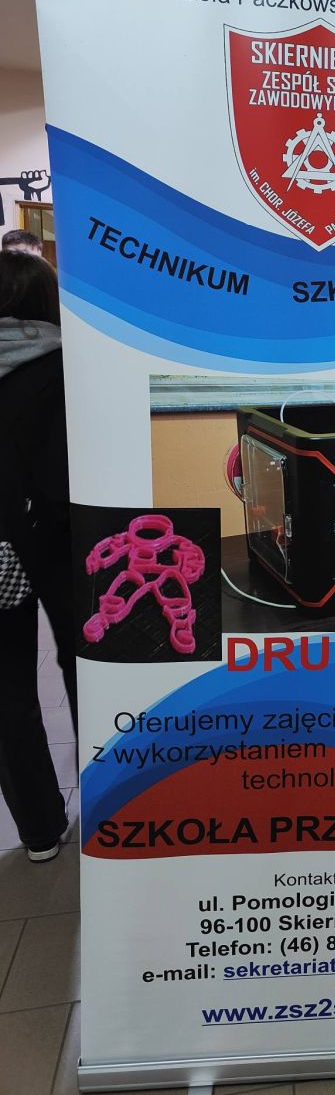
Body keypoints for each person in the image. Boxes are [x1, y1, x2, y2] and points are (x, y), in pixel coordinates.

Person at [0, 251, 75, 861]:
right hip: (61, 536)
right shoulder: (65, 366)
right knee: (85, 665)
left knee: (6, 689)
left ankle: (40, 832)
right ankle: (114, 805)